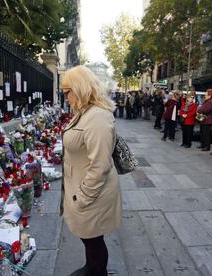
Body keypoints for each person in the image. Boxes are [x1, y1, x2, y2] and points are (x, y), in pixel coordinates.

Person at [60, 66, 122, 276]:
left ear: (79, 88)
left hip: (92, 193)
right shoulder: (84, 113)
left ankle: (97, 272)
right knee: (90, 238)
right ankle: (91, 268)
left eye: (67, 91)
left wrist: (83, 197)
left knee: (93, 239)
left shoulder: (97, 118)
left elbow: (100, 165)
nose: (65, 97)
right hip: (82, 187)